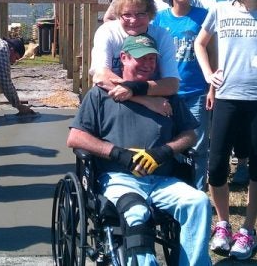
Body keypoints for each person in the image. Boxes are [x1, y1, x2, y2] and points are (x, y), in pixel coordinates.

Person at [67, 33, 212, 266]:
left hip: (162, 180)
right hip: (119, 178)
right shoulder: (99, 96)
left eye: (152, 60)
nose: (147, 64)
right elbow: (76, 137)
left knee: (198, 202)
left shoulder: (167, 96)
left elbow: (189, 135)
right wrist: (118, 154)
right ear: (123, 58)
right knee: (136, 212)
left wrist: (163, 152)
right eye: (140, 58)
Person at [194, 0, 257, 260]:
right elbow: (201, 43)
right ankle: (223, 223)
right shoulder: (219, 9)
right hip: (227, 97)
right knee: (216, 167)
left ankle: (248, 229)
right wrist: (208, 75)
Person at [152, 0, 209, 190]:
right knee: (170, 142)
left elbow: (211, 51)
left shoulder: (203, 16)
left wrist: (211, 87)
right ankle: (173, 186)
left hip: (196, 90)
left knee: (199, 145)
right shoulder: (160, 19)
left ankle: (198, 191)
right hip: (168, 91)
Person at [91, 0, 180, 99]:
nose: (133, 20)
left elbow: (172, 84)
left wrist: (133, 90)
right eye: (127, 15)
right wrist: (143, 100)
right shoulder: (108, 32)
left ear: (150, 14)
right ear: (118, 15)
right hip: (112, 98)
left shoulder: (161, 36)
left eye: (140, 14)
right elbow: (101, 76)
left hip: (151, 98)